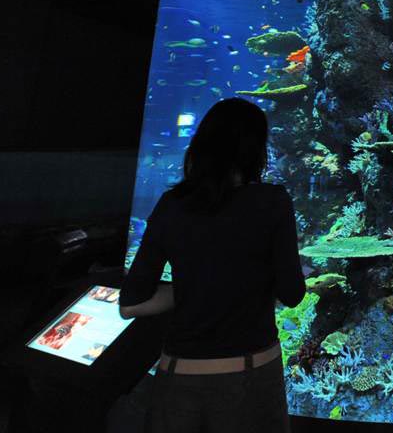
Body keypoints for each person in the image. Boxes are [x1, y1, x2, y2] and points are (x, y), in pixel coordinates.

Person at [120, 98, 305, 433]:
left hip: (177, 378)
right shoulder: (271, 201)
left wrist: (195, 286)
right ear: (255, 150)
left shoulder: (171, 205)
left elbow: (131, 303)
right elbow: (292, 294)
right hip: (249, 376)